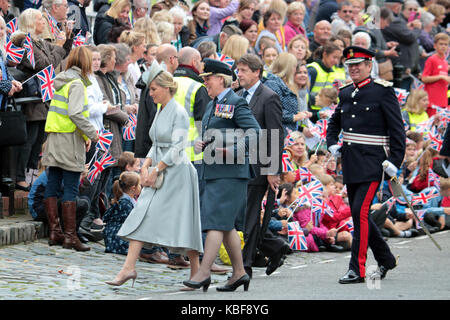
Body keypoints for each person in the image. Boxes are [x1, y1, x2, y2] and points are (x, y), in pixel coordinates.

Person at [106, 70, 203, 287]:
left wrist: (155, 169)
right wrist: (146, 164)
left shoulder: (178, 112)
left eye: (153, 89)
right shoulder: (161, 110)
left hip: (177, 174)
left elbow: (178, 147)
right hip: (159, 172)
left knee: (184, 222)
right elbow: (157, 144)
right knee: (142, 214)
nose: (150, 94)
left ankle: (197, 271)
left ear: (167, 88)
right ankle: (128, 268)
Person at [327, 46, 406, 284]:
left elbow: (397, 130)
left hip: (374, 162)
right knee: (358, 213)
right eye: (350, 65)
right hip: (351, 162)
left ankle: (357, 269)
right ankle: (386, 258)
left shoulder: (382, 92)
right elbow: (334, 122)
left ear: (369, 65)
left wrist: (394, 161)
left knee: (360, 212)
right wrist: (332, 144)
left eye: (358, 65)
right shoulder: (345, 92)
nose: (354, 69)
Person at [183, 59, 260, 292]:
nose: (205, 82)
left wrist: (233, 150)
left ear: (221, 79)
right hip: (214, 170)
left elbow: (255, 132)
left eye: (208, 78)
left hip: (231, 172)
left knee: (215, 221)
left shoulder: (236, 103)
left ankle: (204, 272)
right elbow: (213, 134)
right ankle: (239, 273)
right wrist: (201, 143)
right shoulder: (212, 104)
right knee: (225, 225)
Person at [41, 46, 99, 252]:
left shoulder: (62, 81)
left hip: (55, 138)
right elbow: (76, 114)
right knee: (71, 187)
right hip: (69, 140)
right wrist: (91, 133)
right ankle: (70, 236)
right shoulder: (77, 84)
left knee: (53, 183)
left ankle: (55, 231)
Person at [236, 53, 289, 278]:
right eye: (238, 70)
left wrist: (272, 170)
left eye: (244, 70)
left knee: (248, 217)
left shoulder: (269, 97)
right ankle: (274, 247)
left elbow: (276, 135)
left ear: (257, 72)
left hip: (259, 166)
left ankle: (245, 265)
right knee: (239, 217)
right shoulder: (237, 95)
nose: (239, 75)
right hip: (237, 164)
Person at [12, 8, 73, 192]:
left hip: (42, 99)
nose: (43, 22)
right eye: (39, 19)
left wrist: (67, 39)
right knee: (29, 140)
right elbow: (44, 65)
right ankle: (21, 177)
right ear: (30, 22)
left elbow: (60, 53)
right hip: (31, 100)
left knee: (38, 141)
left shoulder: (40, 42)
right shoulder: (25, 42)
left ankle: (31, 176)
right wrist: (60, 46)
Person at [103, 171, 141, 255]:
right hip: (116, 238)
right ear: (133, 188)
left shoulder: (129, 200)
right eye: (139, 185)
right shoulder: (125, 203)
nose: (140, 187)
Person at [307, 42, 344, 122]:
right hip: (310, 112)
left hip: (324, 113)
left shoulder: (333, 72)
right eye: (334, 57)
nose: (336, 61)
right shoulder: (313, 70)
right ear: (324, 54)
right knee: (275, 133)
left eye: (338, 58)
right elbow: (304, 94)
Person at [421, 32, 450, 116]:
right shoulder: (431, 59)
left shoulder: (445, 62)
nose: (443, 46)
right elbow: (424, 78)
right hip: (432, 101)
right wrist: (441, 77)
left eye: (446, 44)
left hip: (443, 101)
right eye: (441, 44)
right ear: (435, 46)